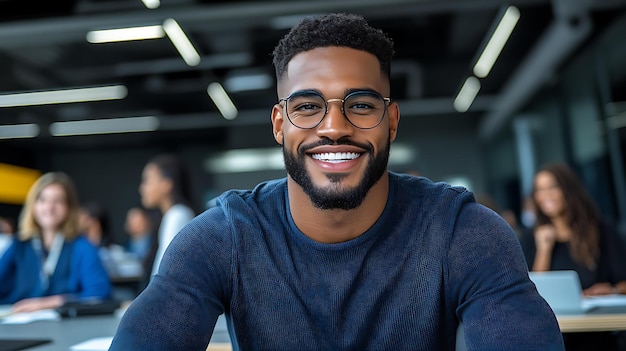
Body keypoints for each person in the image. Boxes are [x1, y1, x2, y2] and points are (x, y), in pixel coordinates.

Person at [110, 13, 564, 350]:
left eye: (361, 105)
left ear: (391, 121)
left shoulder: (462, 230)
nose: (333, 127)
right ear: (278, 124)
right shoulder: (223, 237)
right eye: (307, 106)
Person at [520, 162, 626, 350]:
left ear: (568, 189)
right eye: (539, 190)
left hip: (598, 331)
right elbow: (533, 291)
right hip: (553, 332)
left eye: (552, 187)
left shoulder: (602, 229)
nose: (546, 195)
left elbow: (623, 281)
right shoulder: (531, 237)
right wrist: (544, 249)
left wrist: (613, 290)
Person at [0, 172, 111, 312]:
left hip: (67, 326)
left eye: (58, 201)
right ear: (33, 205)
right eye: (42, 200)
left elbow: (99, 294)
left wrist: (49, 303)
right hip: (20, 325)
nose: (49, 207)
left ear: (69, 207)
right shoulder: (19, 245)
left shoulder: (82, 247)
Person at [138, 153, 195, 278]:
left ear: (167, 184)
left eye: (147, 181)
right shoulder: (172, 215)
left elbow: (166, 275)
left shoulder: (177, 216)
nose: (142, 188)